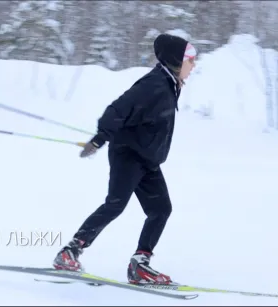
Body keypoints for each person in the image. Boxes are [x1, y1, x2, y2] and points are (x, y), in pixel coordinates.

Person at [52, 33, 197, 285]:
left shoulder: (168, 83)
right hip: (128, 154)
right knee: (116, 204)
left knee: (161, 209)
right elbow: (118, 109)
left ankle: (140, 265)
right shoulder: (154, 85)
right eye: (190, 60)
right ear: (176, 60)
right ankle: (69, 252)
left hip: (147, 158)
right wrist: (100, 138)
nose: (193, 66)